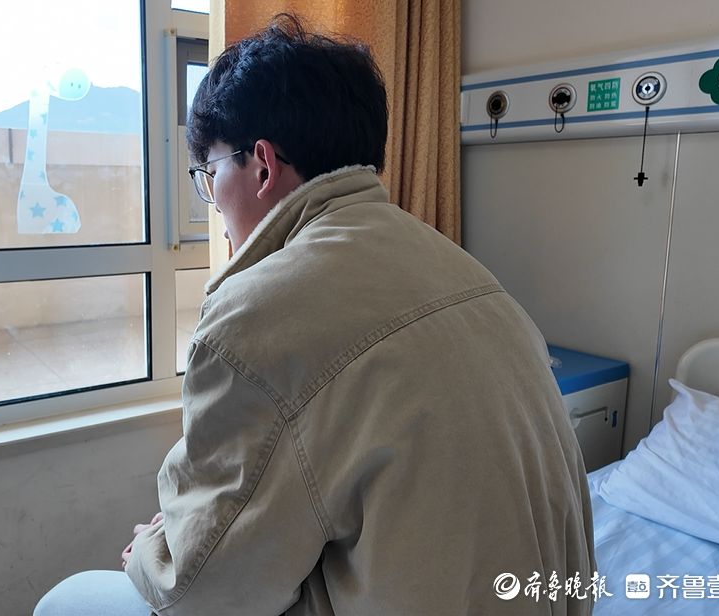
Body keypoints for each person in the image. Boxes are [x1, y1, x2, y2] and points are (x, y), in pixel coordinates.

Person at [35, 14, 595, 616]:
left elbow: (200, 592)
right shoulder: (472, 276)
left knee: (69, 601)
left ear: (262, 165)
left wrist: (150, 549)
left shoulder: (256, 315)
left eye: (209, 174)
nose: (214, 205)